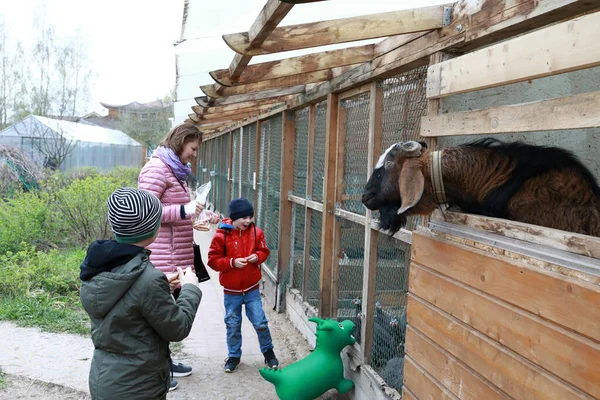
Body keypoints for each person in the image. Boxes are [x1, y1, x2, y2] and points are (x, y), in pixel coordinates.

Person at [79, 187, 202, 400]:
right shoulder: (148, 279)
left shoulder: (98, 265)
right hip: (139, 387)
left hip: (105, 380)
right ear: (154, 229)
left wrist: (162, 288)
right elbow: (177, 328)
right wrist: (190, 288)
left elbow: (127, 305)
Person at [138, 123, 219, 387]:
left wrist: (201, 215)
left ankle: (165, 363)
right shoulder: (156, 169)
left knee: (165, 314)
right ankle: (155, 373)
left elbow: (176, 209)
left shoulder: (176, 170)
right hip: (162, 256)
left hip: (177, 255)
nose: (195, 154)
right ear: (181, 142)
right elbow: (145, 212)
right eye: (193, 148)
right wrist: (185, 211)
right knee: (157, 318)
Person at [207, 197, 279, 373]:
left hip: (252, 288)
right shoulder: (221, 236)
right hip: (231, 291)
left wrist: (258, 257)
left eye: (250, 217)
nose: (248, 221)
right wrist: (232, 262)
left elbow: (264, 251)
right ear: (233, 217)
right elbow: (213, 260)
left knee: (260, 321)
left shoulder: (257, 233)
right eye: (243, 217)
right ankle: (234, 356)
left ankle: (269, 353)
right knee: (232, 323)